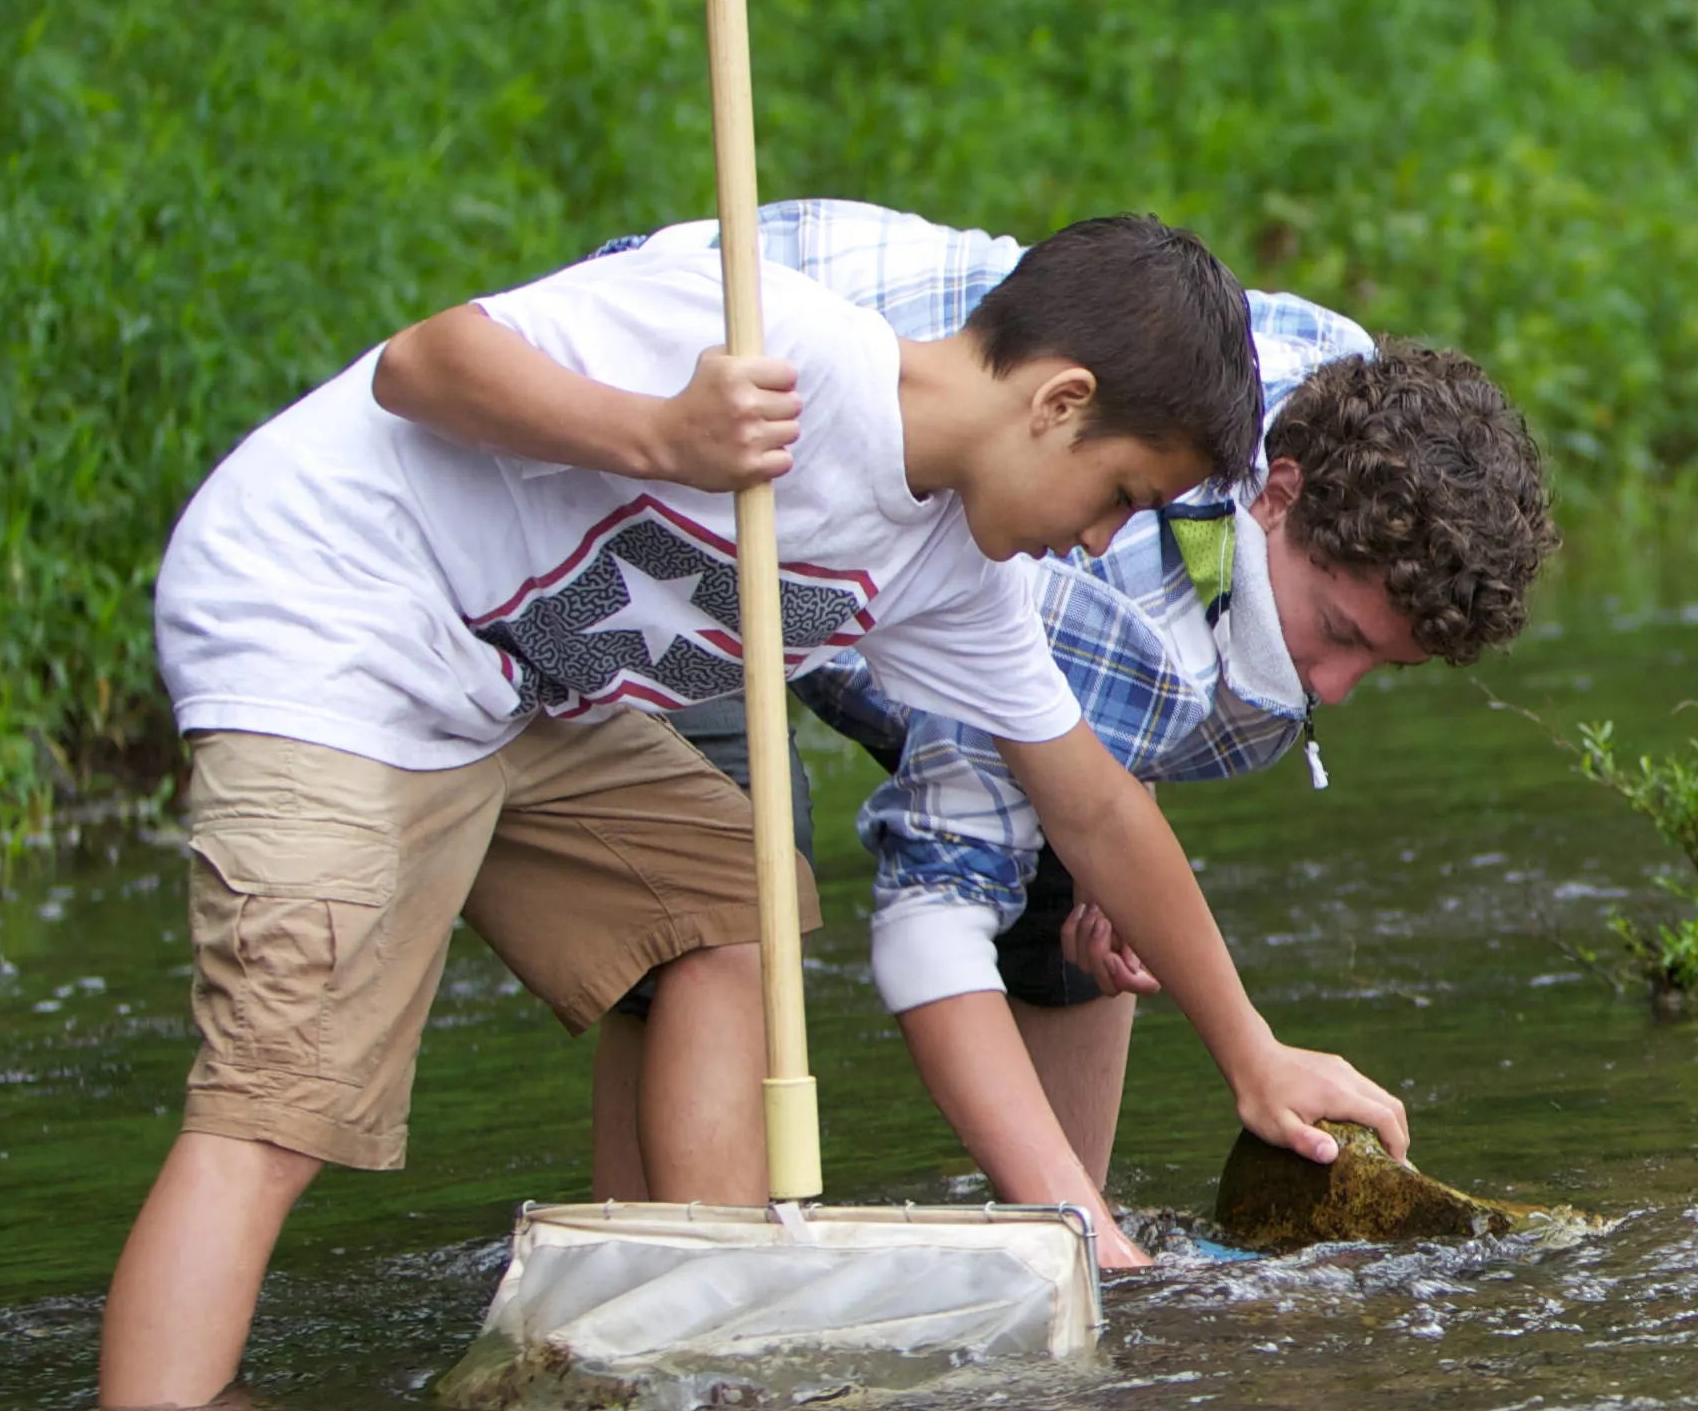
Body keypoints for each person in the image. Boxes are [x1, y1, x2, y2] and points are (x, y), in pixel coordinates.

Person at [95, 214, 1411, 1410]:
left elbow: (1100, 814)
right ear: (1059, 403)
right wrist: (661, 438)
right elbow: (422, 366)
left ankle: (714, 1345)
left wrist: (1250, 1053)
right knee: (281, 1111)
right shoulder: (780, 351)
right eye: (1120, 494)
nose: (1099, 539)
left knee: (733, 903)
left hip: (509, 695)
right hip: (331, 624)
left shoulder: (961, 573)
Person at [588, 200, 1554, 1250]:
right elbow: (931, 920)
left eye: (1383, 666)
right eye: (1337, 633)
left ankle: (1061, 1256)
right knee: (722, 883)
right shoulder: (1084, 581)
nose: (1336, 685)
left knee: (1076, 871)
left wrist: (1247, 1041)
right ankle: (672, 1266)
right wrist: (1097, 1232)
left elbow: (1122, 745)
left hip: (946, 520)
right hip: (693, 426)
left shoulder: (1336, 374)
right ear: (1281, 493)